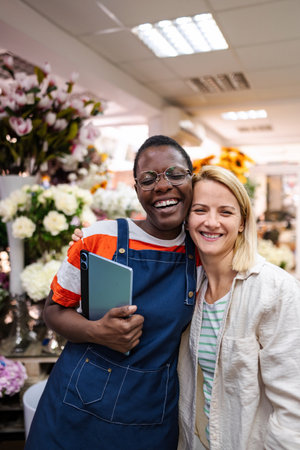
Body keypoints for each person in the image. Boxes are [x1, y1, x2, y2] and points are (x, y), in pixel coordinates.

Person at [25, 135, 198, 450]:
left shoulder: (202, 252)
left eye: (175, 174)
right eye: (148, 180)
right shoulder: (97, 239)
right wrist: (95, 331)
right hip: (76, 409)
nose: (162, 186)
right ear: (136, 190)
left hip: (151, 412)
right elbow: (53, 310)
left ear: (191, 179)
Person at [177, 165, 300, 450]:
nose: (211, 222)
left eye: (225, 212)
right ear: (186, 219)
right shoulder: (190, 287)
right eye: (200, 210)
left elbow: (293, 407)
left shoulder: (275, 290)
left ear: (242, 222)